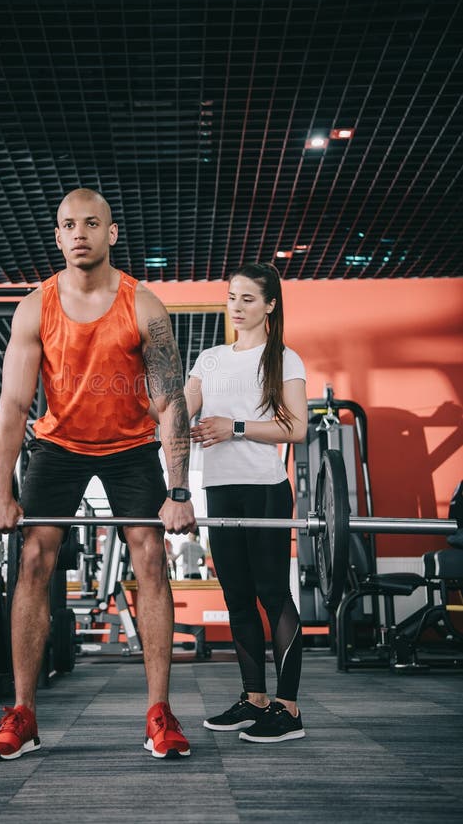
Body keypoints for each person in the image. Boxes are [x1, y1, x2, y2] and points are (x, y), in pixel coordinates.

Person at [0, 188, 196, 762]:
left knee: (150, 554)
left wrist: (178, 491)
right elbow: (11, 407)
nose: (79, 233)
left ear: (111, 233)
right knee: (32, 558)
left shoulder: (143, 305)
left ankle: (159, 713)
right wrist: (0, 490)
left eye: (91, 223)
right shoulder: (35, 306)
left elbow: (171, 401)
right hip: (59, 445)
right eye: (69, 225)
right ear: (58, 236)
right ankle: (23, 713)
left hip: (130, 446)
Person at [185, 262, 308, 743]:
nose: (236, 307)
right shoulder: (210, 358)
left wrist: (232, 427)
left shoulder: (284, 358)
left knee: (272, 595)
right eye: (232, 297)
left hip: (265, 488)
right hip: (219, 489)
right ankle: (254, 698)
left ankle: (289, 708)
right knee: (236, 595)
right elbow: (178, 408)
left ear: (270, 306)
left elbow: (295, 428)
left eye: (248, 299)